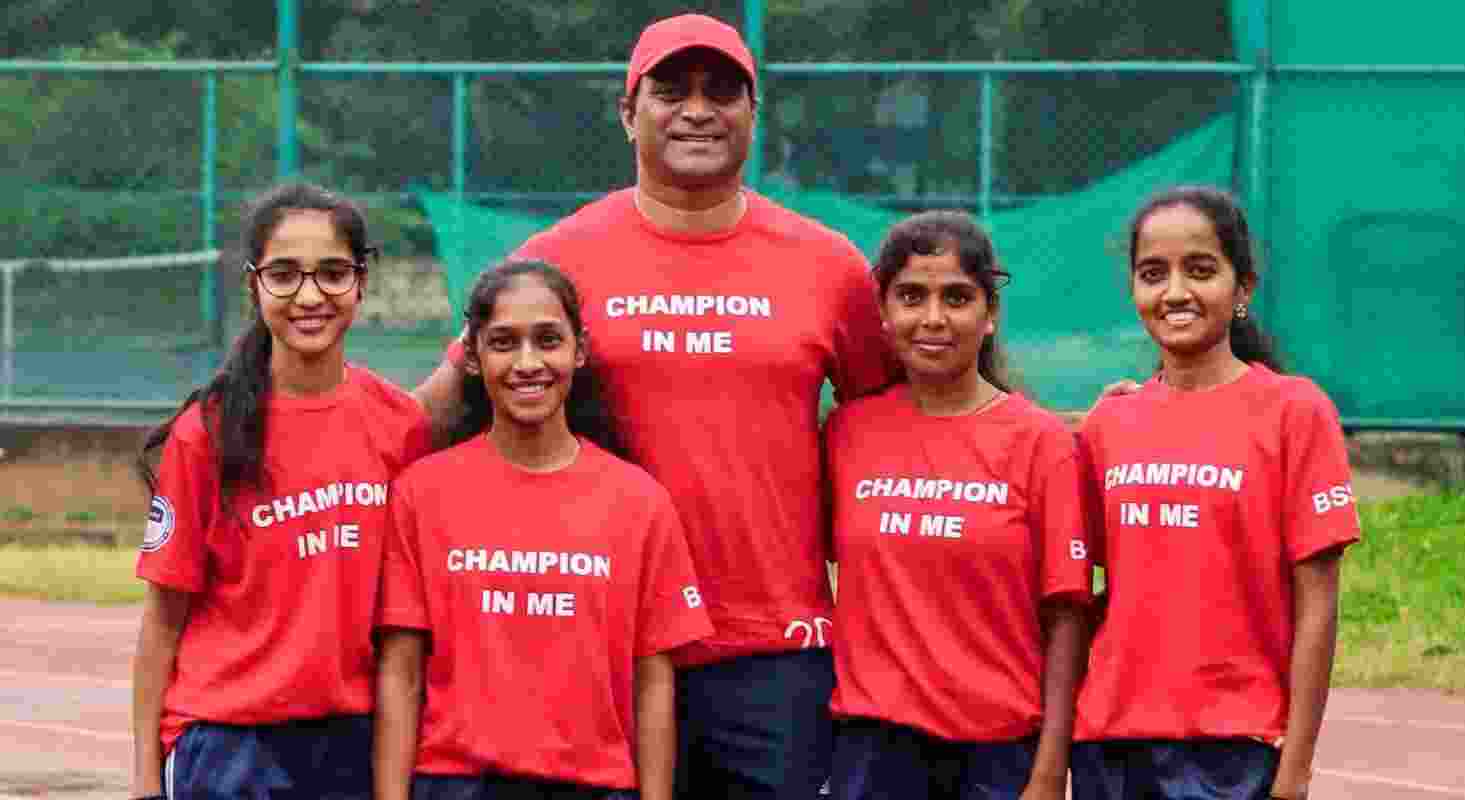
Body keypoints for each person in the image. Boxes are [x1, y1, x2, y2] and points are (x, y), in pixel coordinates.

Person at [412, 13, 896, 799]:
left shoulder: (829, 266)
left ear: (754, 113)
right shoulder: (555, 260)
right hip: (597, 648)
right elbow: (435, 410)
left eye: (723, 91)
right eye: (672, 89)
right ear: (627, 112)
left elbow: (907, 426)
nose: (698, 109)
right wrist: (285, 421)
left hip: (776, 652)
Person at [130, 182, 433, 800]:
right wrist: (142, 778)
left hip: (352, 741)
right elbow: (163, 621)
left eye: (331, 273)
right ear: (254, 285)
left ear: (362, 281)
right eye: (285, 274)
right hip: (227, 744)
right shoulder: (207, 433)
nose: (310, 295)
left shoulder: (401, 426)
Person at [374, 260, 713, 800]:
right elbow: (401, 673)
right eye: (504, 342)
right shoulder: (422, 494)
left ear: (578, 351)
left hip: (596, 786)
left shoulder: (638, 501)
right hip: (456, 785)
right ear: (474, 356)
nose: (527, 362)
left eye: (548, 340)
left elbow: (652, 683)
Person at [1070, 186, 1360, 800]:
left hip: (1234, 744)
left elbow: (1318, 607)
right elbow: (1082, 593)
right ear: (1134, 290)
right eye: (1154, 273)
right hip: (1109, 743)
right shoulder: (1108, 424)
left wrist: (1297, 764)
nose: (1175, 292)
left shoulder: (1295, 413)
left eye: (1200, 270)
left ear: (1243, 289)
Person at [822, 211, 1093, 800]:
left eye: (957, 297)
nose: (933, 318)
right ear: (884, 312)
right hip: (873, 749)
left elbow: (1067, 618)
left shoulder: (1041, 442)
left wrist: (1049, 771)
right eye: (912, 296)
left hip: (997, 753)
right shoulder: (847, 433)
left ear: (990, 313)